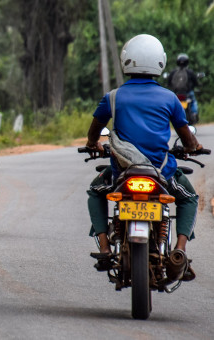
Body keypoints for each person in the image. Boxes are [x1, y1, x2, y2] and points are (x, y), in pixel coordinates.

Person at [85, 34, 202, 276]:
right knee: (189, 197)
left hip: (122, 172)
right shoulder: (170, 98)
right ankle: (179, 251)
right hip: (161, 173)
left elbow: (94, 130)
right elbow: (187, 137)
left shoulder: (113, 97)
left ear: (126, 61)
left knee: (95, 193)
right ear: (161, 62)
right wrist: (193, 147)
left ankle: (105, 248)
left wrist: (93, 143)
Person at [168, 53, 199, 121]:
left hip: (176, 93)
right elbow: (195, 82)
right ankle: (194, 114)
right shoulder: (189, 72)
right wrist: (196, 86)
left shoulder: (173, 72)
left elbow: (169, 83)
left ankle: (170, 115)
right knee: (193, 101)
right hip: (188, 93)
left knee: (171, 103)